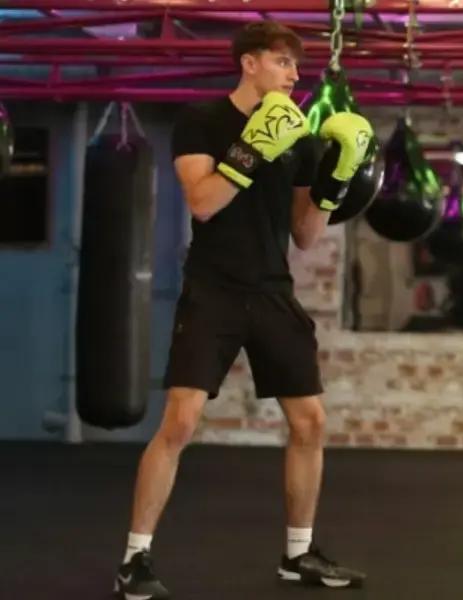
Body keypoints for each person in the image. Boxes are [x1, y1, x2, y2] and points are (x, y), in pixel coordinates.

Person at [113, 20, 374, 600]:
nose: (294, 75)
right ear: (250, 63)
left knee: (311, 422)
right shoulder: (202, 121)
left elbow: (306, 235)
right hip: (214, 289)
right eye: (284, 63)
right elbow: (203, 204)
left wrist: (335, 180)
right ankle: (134, 560)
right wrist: (252, 150)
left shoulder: (300, 138)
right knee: (180, 422)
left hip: (273, 290)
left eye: (296, 66)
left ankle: (298, 554)